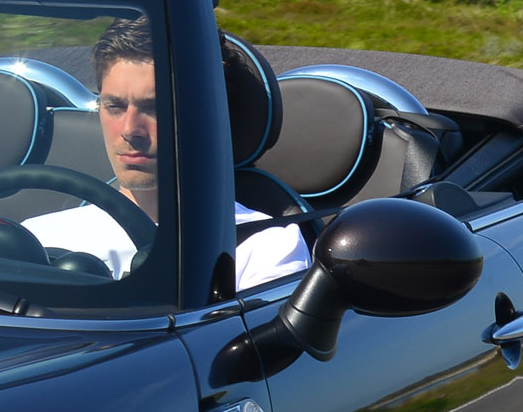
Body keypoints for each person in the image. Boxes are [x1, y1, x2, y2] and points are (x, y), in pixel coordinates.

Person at [22, 17, 314, 290]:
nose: (129, 129)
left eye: (155, 108)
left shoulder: (265, 247)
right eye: (115, 106)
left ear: (208, 117)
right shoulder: (37, 239)